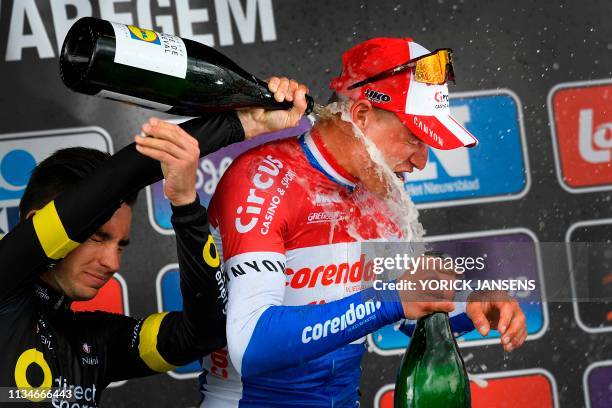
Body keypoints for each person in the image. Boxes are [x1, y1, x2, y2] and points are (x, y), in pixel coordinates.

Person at [198, 38, 528, 407]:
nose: (422, 162)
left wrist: (471, 307)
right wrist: (389, 300)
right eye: (415, 138)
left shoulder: (381, 191)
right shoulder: (264, 179)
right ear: (361, 116)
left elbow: (405, 313)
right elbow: (250, 346)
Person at [0, 80, 307, 407]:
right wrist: (242, 123)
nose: (112, 263)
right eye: (98, 237)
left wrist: (187, 205)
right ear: (36, 222)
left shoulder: (93, 342)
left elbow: (205, 332)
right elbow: (119, 177)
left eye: (120, 245)